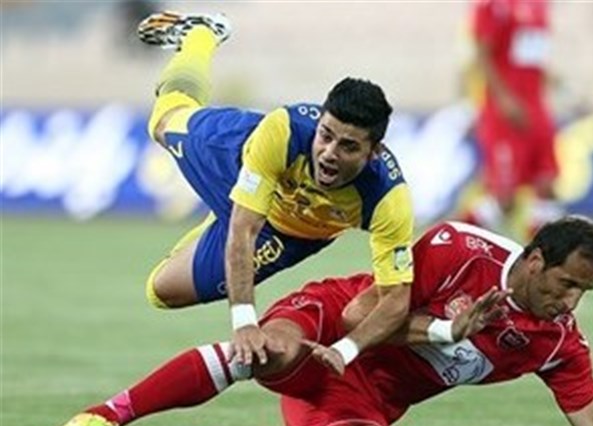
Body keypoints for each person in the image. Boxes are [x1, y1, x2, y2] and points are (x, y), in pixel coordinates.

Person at [56, 216, 593, 426]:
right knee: (269, 350)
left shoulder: (557, 343)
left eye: (585, 292)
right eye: (567, 284)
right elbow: (357, 316)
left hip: (354, 397)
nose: (571, 302)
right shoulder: (460, 250)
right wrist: (445, 331)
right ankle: (106, 415)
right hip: (322, 323)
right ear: (535, 260)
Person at [136, 11, 414, 371]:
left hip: (288, 232)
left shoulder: (388, 199)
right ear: (318, 123)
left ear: (373, 152)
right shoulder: (282, 130)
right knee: (163, 121)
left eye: (348, 146)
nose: (329, 153)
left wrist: (345, 350)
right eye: (325, 136)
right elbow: (244, 229)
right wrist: (245, 322)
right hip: (235, 160)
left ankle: (224, 218)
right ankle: (201, 34)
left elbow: (396, 298)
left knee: (162, 292)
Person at [459, 0, 565, 240]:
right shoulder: (493, 6)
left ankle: (540, 255)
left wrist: (561, 86)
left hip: (537, 107)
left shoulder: (541, 6)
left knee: (547, 184)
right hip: (504, 112)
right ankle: (452, 242)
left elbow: (533, 59)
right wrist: (504, 99)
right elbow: (482, 54)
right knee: (505, 199)